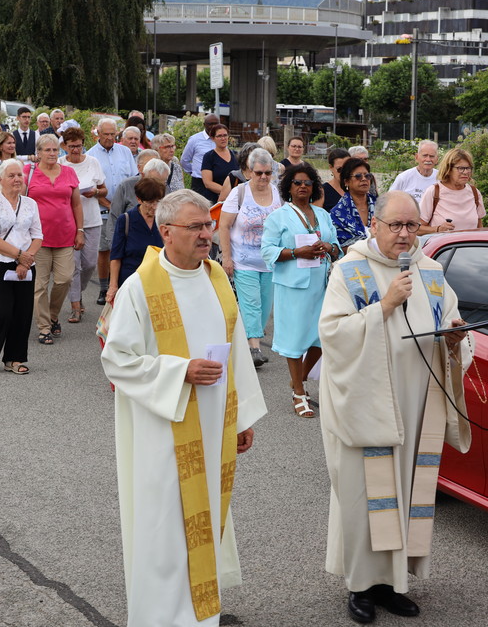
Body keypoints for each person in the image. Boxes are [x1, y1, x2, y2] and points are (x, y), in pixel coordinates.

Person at [99, 189, 266, 627]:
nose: (206, 234)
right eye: (195, 227)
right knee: (163, 529)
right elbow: (116, 359)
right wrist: (179, 372)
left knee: (204, 516)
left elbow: (237, 351)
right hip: (163, 432)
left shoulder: (215, 278)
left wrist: (242, 417)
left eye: (208, 225)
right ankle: (158, 618)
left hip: (213, 425)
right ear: (166, 231)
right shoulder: (140, 286)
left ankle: (199, 616)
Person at [318, 190, 473, 624]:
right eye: (395, 225)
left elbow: (452, 322)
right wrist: (384, 306)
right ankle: (361, 587)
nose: (405, 234)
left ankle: (392, 584)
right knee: (363, 496)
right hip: (366, 404)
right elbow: (331, 335)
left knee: (404, 492)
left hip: (418, 402)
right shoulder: (349, 272)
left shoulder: (432, 271)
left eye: (412, 225)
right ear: (375, 226)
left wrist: (457, 338)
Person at [261, 163, 340, 418]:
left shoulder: (323, 215)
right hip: (293, 286)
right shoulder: (278, 217)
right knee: (295, 340)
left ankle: (299, 379)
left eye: (307, 182)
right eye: (297, 183)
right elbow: (267, 251)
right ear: (288, 187)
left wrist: (329, 247)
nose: (303, 186)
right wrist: (297, 252)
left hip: (323, 284)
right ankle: (299, 392)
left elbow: (338, 246)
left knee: (323, 336)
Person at [0, 158, 43, 374]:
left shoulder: (30, 203)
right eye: (11, 176)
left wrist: (27, 259)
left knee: (23, 313)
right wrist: (20, 256)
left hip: (26, 263)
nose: (17, 179)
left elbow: (37, 235)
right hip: (0, 263)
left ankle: (14, 358)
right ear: (1, 179)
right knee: (3, 311)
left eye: (19, 175)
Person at [219, 148, 283, 368]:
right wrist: (227, 258)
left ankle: (247, 338)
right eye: (258, 173)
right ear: (248, 172)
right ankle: (253, 348)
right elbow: (224, 226)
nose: (263, 177)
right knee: (251, 304)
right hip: (243, 261)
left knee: (265, 307)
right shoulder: (239, 194)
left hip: (270, 262)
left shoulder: (277, 194)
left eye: (267, 172)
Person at [24, 134, 83, 345]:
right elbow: (21, 203)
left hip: (65, 235)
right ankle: (44, 327)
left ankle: (53, 314)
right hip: (37, 238)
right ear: (38, 152)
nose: (52, 154)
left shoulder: (68, 172)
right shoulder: (28, 173)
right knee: (40, 285)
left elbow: (76, 204)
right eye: (47, 150)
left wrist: (80, 230)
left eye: (55, 150)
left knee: (64, 279)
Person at [88, 117, 137, 306]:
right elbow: (92, 187)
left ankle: (123, 285)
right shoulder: (91, 155)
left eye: (112, 134)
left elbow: (133, 179)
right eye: (105, 134)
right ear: (98, 134)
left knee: (126, 248)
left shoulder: (125, 152)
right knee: (104, 250)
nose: (109, 137)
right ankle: (103, 287)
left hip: (126, 210)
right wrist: (110, 206)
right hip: (103, 209)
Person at [60, 127, 106, 323]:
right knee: (74, 266)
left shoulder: (93, 162)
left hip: (92, 219)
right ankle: (75, 306)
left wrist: (95, 192)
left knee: (89, 264)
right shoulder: (60, 164)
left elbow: (104, 189)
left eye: (78, 146)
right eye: (71, 147)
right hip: (68, 220)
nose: (76, 150)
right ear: (65, 146)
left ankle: (79, 292)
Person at [106, 177, 165, 303]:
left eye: (158, 202)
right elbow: (116, 256)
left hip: (159, 283)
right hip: (130, 282)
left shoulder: (165, 220)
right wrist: (113, 286)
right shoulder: (126, 220)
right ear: (139, 199)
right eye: (150, 202)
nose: (155, 207)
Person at [418, 148, 485, 232]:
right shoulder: (434, 192)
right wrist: (438, 229)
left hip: (470, 245)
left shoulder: (474, 192)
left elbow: (480, 227)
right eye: (460, 168)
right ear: (448, 169)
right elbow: (417, 229)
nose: (465, 172)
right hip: (444, 244)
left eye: (468, 168)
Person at [331, 157, 376, 250]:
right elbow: (338, 248)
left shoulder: (381, 206)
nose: (364, 179)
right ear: (346, 181)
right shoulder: (338, 213)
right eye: (358, 176)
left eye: (367, 176)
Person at [179, 113, 219, 198]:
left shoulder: (221, 139)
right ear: (204, 125)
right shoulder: (195, 139)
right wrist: (194, 171)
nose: (213, 126)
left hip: (217, 183)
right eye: (210, 124)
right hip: (200, 184)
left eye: (216, 123)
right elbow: (184, 160)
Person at [198, 123, 237, 203]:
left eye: (225, 135)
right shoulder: (209, 157)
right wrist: (227, 192)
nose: (223, 138)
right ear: (212, 138)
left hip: (235, 200)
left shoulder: (236, 155)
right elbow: (208, 183)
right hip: (214, 200)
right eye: (219, 136)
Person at [318, 147, 350, 212]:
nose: (344, 172)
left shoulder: (356, 188)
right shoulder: (322, 192)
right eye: (340, 169)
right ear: (331, 167)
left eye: (347, 168)